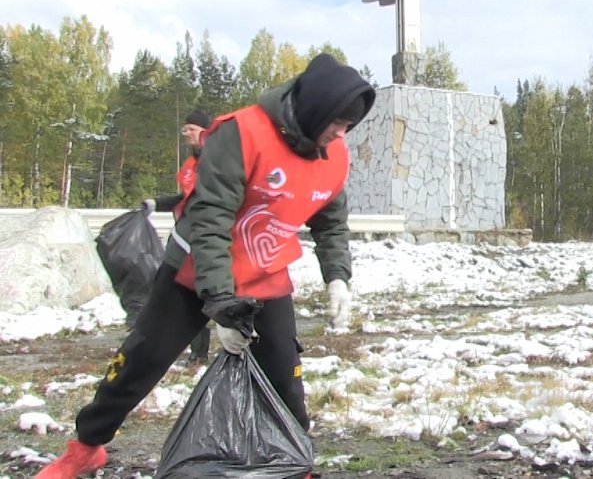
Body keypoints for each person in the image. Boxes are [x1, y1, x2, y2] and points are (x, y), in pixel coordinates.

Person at [36, 53, 375, 479]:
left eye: (347, 128)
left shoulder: (333, 154)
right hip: (195, 271)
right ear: (314, 110)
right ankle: (86, 447)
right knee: (142, 360)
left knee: (284, 379)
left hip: (265, 274)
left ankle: (296, 462)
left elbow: (330, 221)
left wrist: (338, 277)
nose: (340, 136)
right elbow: (210, 221)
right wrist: (219, 303)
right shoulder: (241, 133)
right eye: (336, 125)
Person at [141, 109, 213, 364]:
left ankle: (200, 352)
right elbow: (185, 199)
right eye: (185, 130)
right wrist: (155, 203)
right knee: (170, 286)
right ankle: (170, 346)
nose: (187, 135)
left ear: (206, 131)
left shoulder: (217, 161)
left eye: (192, 129)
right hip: (183, 235)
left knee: (199, 291)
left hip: (205, 237)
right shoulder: (190, 165)